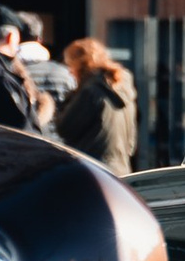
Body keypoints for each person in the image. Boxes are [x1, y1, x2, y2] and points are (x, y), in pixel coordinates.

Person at [55, 35, 138, 173]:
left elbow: (65, 128)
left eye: (69, 65)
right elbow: (131, 143)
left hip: (94, 171)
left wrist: (68, 100)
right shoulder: (122, 87)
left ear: (79, 65)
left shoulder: (91, 91)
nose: (69, 71)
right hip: (121, 169)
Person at [12, 13, 71, 127]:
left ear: (13, 38)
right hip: (56, 142)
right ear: (40, 39)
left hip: (19, 140)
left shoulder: (3, 73)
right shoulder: (66, 74)